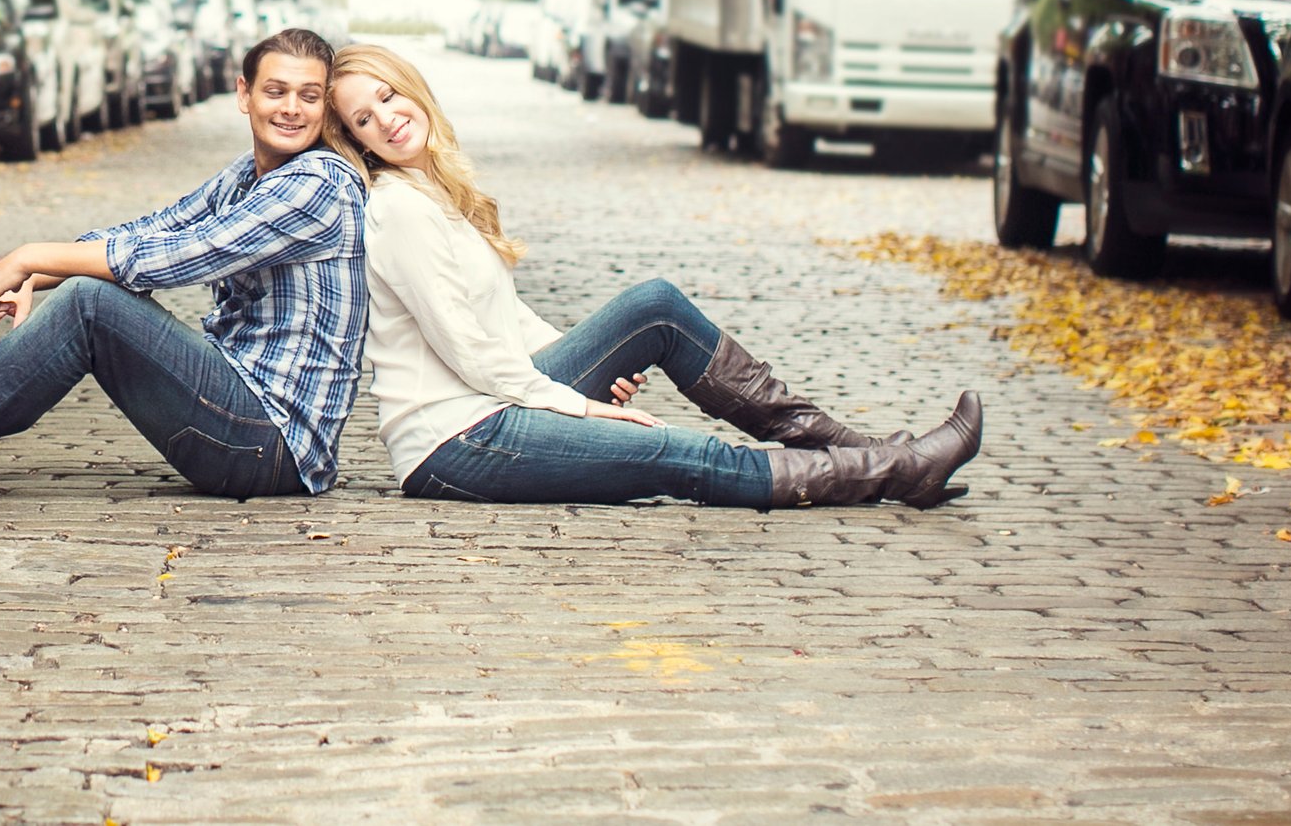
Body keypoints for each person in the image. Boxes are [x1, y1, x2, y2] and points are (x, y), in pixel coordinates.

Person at [323, 43, 981, 511]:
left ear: (411, 86)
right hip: (456, 439)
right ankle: (893, 470)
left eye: (387, 94)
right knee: (677, 455)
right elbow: (469, 353)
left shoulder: (434, 188)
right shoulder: (400, 207)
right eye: (363, 119)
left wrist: (586, 368)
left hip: (493, 401)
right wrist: (578, 404)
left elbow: (508, 322)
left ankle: (861, 446)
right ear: (358, 142)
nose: (386, 117)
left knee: (655, 307)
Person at [0, 28, 366, 502]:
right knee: (89, 295)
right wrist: (41, 274)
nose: (291, 108)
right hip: (240, 418)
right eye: (276, 90)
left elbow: (176, 258)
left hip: (272, 447)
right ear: (244, 94)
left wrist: (37, 256)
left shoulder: (318, 185)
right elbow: (156, 228)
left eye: (309, 96)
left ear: (326, 107)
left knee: (95, 305)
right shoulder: (249, 173)